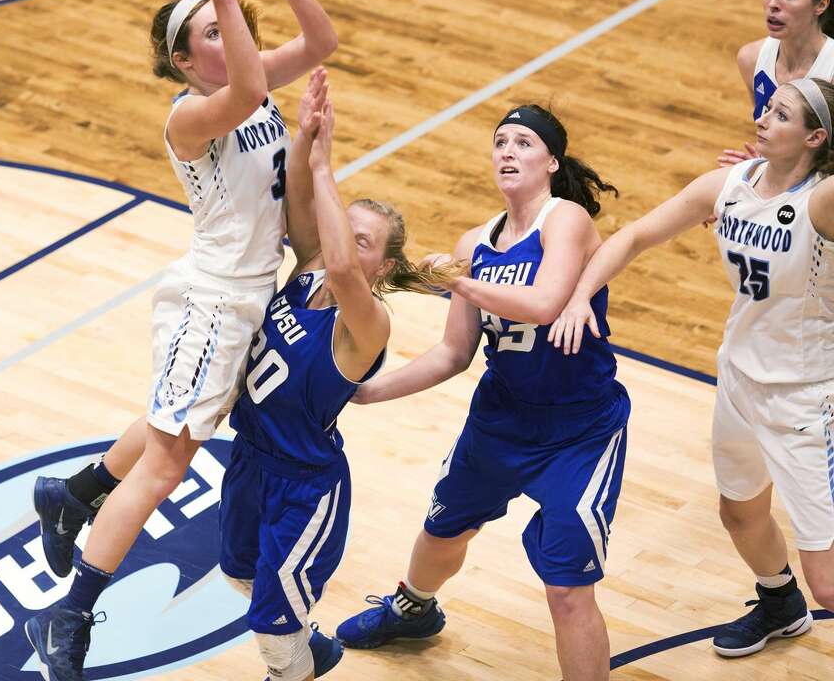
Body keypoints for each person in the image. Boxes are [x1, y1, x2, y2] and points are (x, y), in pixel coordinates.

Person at [23, 0, 339, 681]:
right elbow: (251, 95)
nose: (224, 35)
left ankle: (72, 493)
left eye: (219, 21)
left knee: (180, 418)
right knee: (167, 466)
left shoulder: (249, 84)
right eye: (206, 30)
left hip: (253, 296)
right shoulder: (191, 117)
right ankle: (64, 619)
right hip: (215, 304)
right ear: (183, 61)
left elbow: (323, 42)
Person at [335, 105, 627, 681]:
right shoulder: (477, 241)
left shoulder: (563, 220)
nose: (508, 151)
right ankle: (413, 608)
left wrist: (458, 279)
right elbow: (453, 353)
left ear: (551, 161)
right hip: (500, 420)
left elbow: (545, 303)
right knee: (443, 530)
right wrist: (368, 393)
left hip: (580, 429)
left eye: (524, 142)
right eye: (500, 142)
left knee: (567, 590)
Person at [551, 79, 834, 658]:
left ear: (814, 137)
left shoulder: (822, 198)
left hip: (807, 395)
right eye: (767, 106)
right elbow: (634, 236)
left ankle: (800, 595)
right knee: (739, 513)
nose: (762, 117)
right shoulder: (728, 186)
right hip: (738, 377)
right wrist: (581, 294)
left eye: (780, 114)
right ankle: (780, 603)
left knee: (827, 580)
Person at [219, 70, 457, 681]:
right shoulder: (309, 269)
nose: (345, 245)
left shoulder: (366, 321)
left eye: (364, 241)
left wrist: (328, 170)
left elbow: (346, 271)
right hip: (248, 459)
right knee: (239, 574)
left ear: (384, 265)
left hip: (305, 486)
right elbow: (298, 195)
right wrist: (306, 139)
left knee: (271, 631)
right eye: (343, 231)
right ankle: (311, 649)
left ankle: (292, 666)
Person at [722, 0, 833, 167]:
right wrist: (761, 163)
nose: (773, 3)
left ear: (821, 5)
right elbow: (771, 136)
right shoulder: (751, 59)